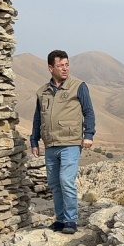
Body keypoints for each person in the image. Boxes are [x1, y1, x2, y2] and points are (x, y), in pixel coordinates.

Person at [30, 50, 95, 234]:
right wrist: (34, 140)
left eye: (67, 64)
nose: (65, 68)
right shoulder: (42, 92)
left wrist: (88, 134)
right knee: (54, 183)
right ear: (51, 68)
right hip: (50, 144)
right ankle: (60, 219)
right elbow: (38, 118)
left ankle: (71, 220)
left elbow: (88, 112)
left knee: (66, 180)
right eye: (60, 65)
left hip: (71, 142)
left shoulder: (78, 86)